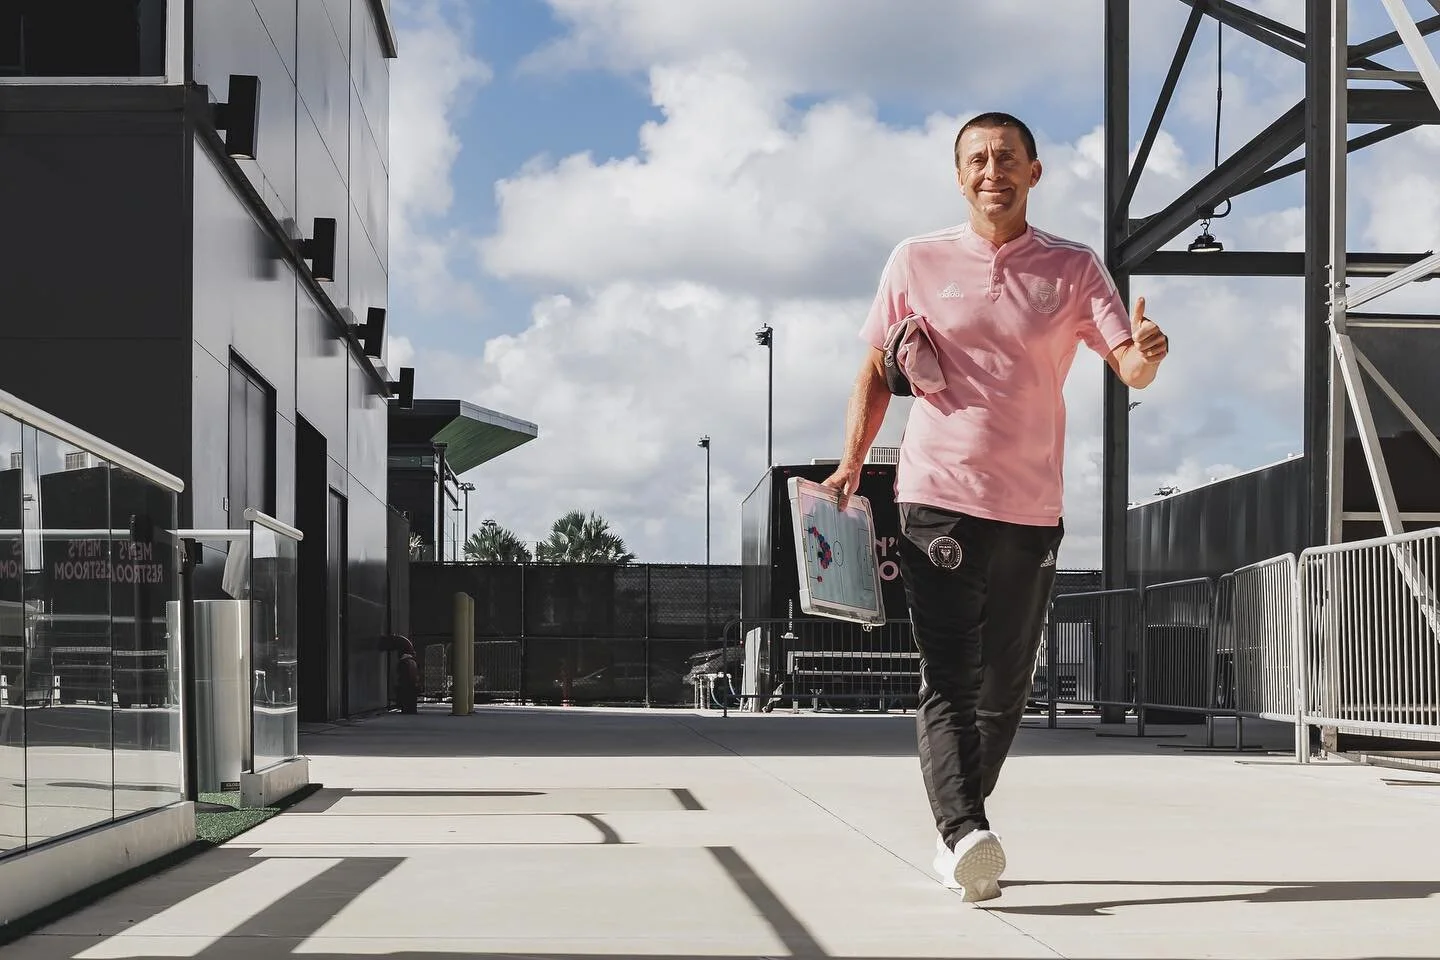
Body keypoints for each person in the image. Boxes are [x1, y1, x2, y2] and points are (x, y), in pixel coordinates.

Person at [823, 112, 1169, 902]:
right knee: (949, 677)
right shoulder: (915, 259)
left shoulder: (1074, 267)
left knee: (1006, 685)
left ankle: (959, 830)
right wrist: (851, 463)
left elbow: (1129, 368)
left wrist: (1146, 352)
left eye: (1007, 159)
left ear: (1035, 172)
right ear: (958, 175)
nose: (992, 172)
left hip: (1031, 508)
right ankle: (965, 833)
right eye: (977, 160)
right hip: (935, 500)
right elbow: (875, 370)